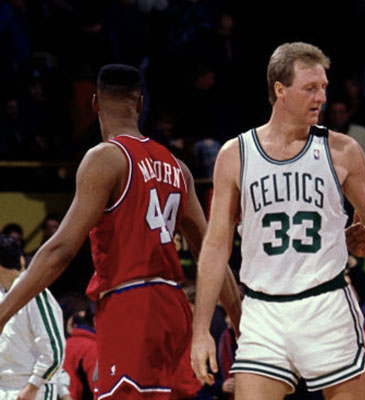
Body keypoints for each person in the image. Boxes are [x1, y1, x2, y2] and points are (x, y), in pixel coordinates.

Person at [0, 64, 241, 399]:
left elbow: (61, 250)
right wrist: (242, 324)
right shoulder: (179, 167)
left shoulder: (106, 158)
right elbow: (211, 255)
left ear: (95, 103)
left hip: (132, 303)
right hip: (174, 305)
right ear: (140, 103)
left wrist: (3, 313)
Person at [189, 42, 365, 400]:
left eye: (324, 87)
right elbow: (215, 247)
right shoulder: (235, 155)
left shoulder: (342, 150)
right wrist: (201, 331)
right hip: (264, 309)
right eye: (310, 87)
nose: (322, 97)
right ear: (280, 89)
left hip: (326, 303)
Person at [0, 234, 65, 400]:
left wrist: (33, 385)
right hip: (5, 387)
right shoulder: (2, 295)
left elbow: (54, 347)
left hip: (33, 390)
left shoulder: (34, 292)